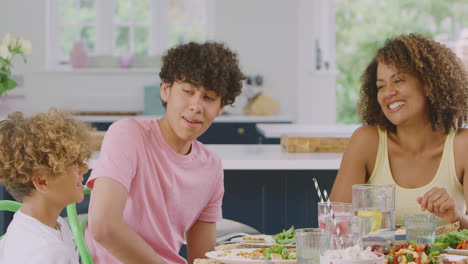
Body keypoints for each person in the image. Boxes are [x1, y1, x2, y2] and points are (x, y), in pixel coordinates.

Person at [85, 42, 244, 264]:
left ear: (219, 109)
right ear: (166, 90)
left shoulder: (211, 167)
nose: (196, 106)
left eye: (208, 98)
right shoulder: (128, 135)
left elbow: (203, 258)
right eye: (188, 91)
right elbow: (103, 226)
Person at [330, 33, 468, 228]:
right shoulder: (367, 141)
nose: (388, 93)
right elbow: (335, 224)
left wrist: (457, 218)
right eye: (381, 86)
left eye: (398, 81)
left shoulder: (462, 145)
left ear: (428, 84)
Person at [0, 109, 94, 263]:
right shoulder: (46, 252)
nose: (84, 169)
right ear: (42, 182)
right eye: (73, 164)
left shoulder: (55, 224)